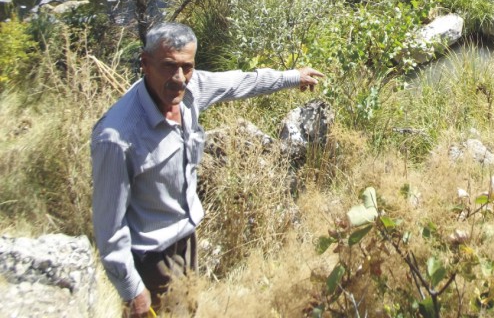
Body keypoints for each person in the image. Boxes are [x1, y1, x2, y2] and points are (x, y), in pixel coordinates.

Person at [91, 22, 324, 317]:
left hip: (187, 241)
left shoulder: (192, 87)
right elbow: (108, 229)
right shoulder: (117, 137)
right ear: (145, 64)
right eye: (168, 66)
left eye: (186, 67)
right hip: (152, 257)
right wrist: (132, 290)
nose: (178, 78)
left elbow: (242, 82)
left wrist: (293, 77)